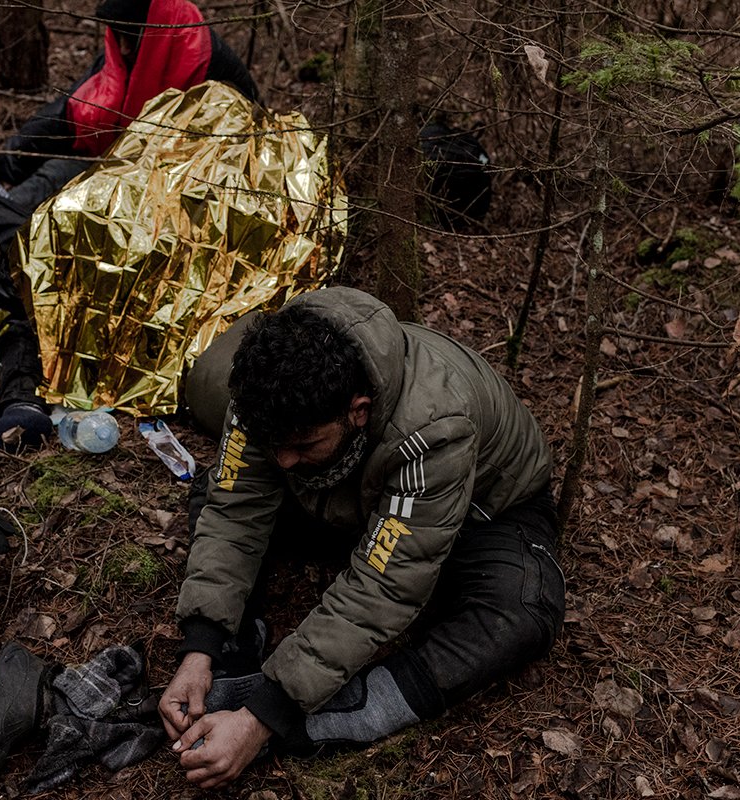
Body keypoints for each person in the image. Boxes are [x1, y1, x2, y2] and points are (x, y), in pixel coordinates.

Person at [158, 286, 566, 788]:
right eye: (275, 446)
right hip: (351, 499)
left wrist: (265, 717)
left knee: (523, 610)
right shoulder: (265, 392)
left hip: (484, 510)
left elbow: (384, 583)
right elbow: (235, 509)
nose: (283, 459)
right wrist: (202, 648)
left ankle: (339, 712)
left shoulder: (435, 425)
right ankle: (233, 660)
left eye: (302, 444)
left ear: (359, 410)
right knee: (212, 492)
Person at [0, 0, 260, 210]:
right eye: (118, 35)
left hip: (176, 189)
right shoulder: (128, 53)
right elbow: (74, 112)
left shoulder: (208, 68)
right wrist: (13, 159)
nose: (125, 48)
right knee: (57, 171)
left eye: (130, 36)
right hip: (125, 168)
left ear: (154, 30)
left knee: (64, 176)